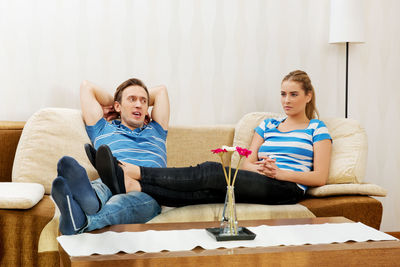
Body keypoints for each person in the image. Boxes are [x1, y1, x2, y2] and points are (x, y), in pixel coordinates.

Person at [94, 70, 332, 207]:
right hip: (259, 178)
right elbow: (247, 162)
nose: (287, 100)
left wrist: (277, 172)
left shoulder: (316, 129)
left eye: (294, 94)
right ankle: (134, 186)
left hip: (288, 188)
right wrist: (262, 168)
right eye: (283, 94)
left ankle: (135, 172)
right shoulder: (268, 124)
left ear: (308, 96)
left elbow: (319, 177)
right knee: (206, 194)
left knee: (210, 171)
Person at [51, 78, 170, 235]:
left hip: (146, 189)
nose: (139, 104)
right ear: (117, 106)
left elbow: (161, 91)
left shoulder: (156, 129)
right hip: (111, 179)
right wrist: (115, 103)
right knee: (99, 186)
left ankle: (82, 219)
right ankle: (91, 200)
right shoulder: (102, 128)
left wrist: (129, 101)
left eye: (144, 101)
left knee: (120, 203)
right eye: (132, 99)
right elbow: (87, 87)